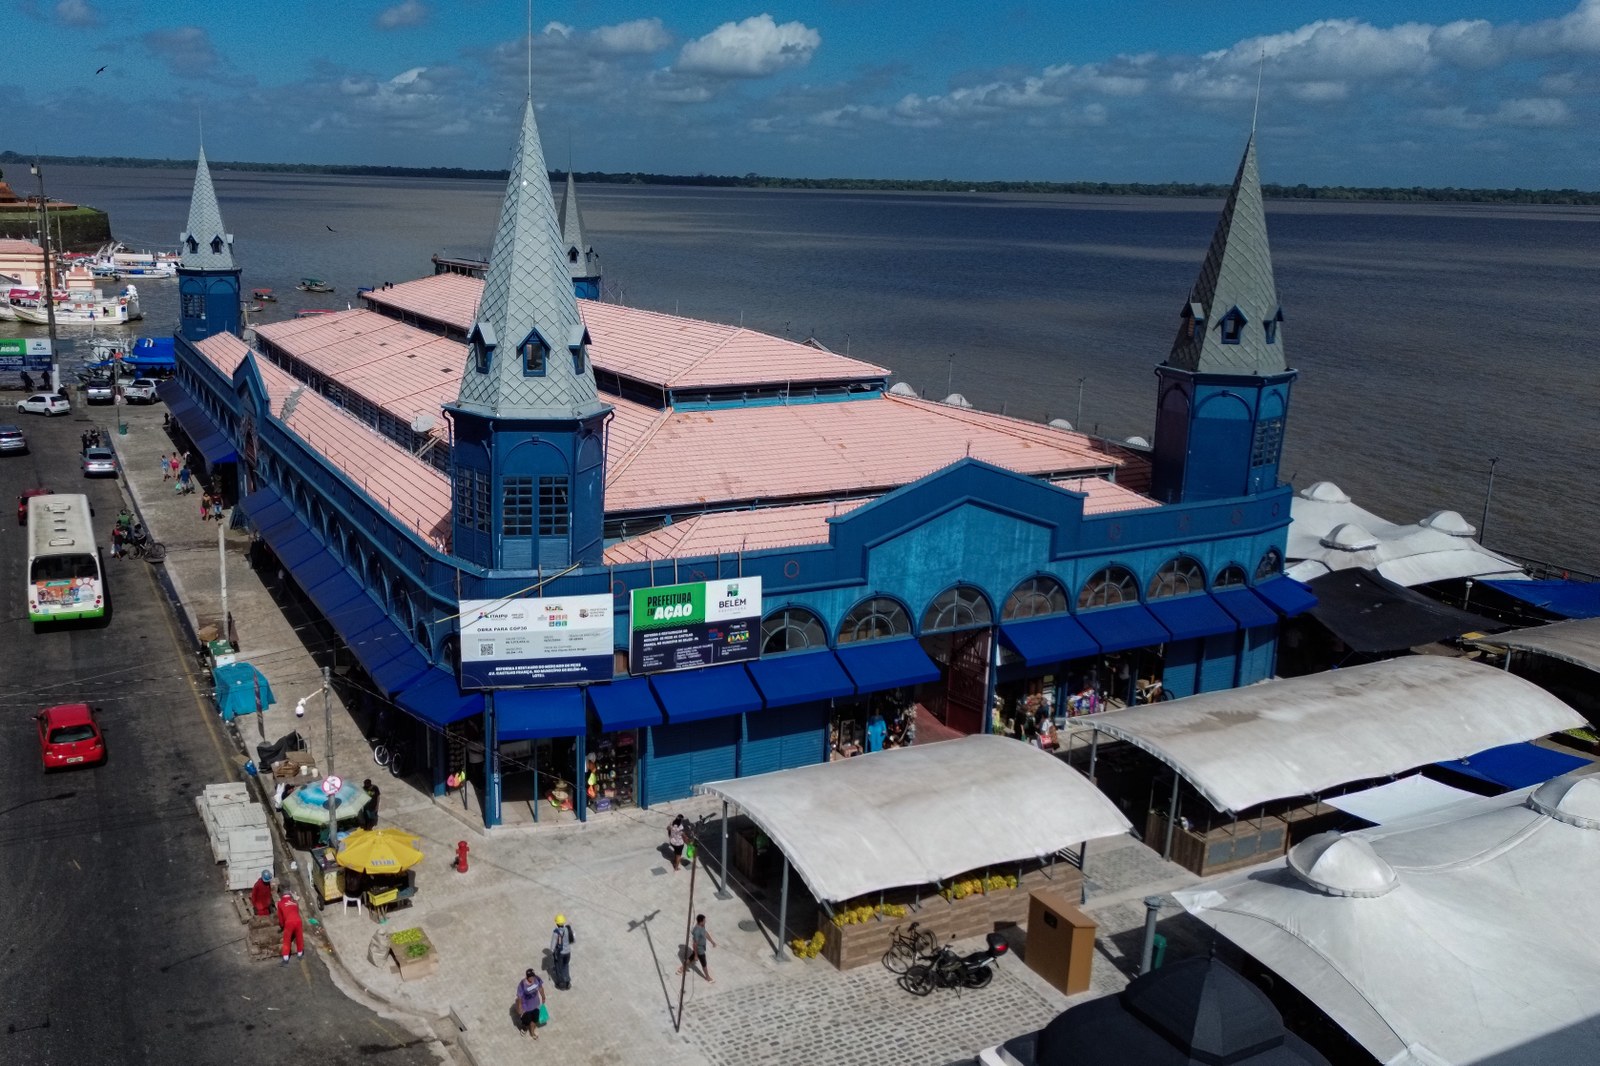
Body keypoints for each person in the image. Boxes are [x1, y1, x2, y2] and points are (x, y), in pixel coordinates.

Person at [678, 914, 716, 982]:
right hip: (699, 950)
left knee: (691, 958)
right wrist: (696, 955)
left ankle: (682, 968)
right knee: (704, 963)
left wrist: (712, 941)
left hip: (701, 948)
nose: (705, 921)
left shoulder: (702, 926)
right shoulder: (697, 931)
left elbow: (705, 933)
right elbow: (695, 944)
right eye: (704, 920)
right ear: (701, 921)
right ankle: (707, 977)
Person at [514, 968, 544, 1039]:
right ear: (527, 977)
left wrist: (543, 996)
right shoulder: (522, 984)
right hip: (526, 1007)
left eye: (533, 976)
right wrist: (520, 1006)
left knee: (534, 1020)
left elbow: (540, 988)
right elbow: (519, 996)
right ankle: (524, 1028)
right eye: (531, 977)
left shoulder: (537, 979)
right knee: (526, 1021)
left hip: (535, 1005)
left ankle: (532, 1032)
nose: (532, 978)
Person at [549, 914, 574, 990]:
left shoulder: (556, 932)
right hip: (568, 952)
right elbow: (572, 939)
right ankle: (567, 982)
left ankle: (561, 984)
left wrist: (552, 951)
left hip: (560, 953)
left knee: (559, 968)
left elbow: (553, 945)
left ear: (556, 923)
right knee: (565, 966)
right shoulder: (567, 929)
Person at [278, 891, 304, 963]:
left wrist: (282, 925)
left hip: (289, 922)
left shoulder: (280, 903)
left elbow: (280, 917)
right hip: (298, 920)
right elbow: (297, 912)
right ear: (290, 896)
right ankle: (300, 953)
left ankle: (286, 958)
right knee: (299, 937)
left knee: (287, 939)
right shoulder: (295, 902)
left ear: (282, 896)